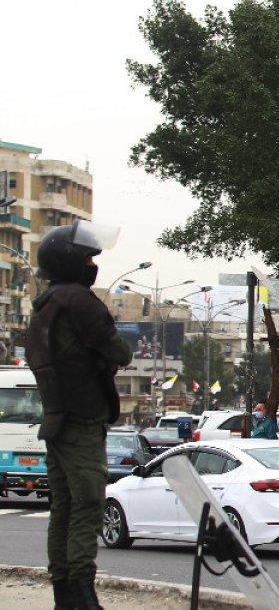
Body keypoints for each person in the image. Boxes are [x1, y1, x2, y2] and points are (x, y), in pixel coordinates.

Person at [25, 220, 131, 610]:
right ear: (71, 262)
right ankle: (82, 595)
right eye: (87, 256)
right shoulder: (79, 301)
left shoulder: (43, 308)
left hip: (56, 420)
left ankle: (64, 593)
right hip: (83, 421)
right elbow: (119, 351)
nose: (92, 263)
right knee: (87, 505)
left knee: (63, 510)